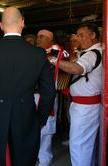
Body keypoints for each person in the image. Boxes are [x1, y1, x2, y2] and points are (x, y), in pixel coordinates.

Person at [0, 7, 56, 165]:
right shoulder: (38, 53)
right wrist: (40, 120)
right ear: (22, 23)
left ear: (1, 25)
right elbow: (49, 92)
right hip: (26, 117)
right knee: (24, 160)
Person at [48, 23, 102, 166]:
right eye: (77, 35)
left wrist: (53, 60)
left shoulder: (92, 54)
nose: (78, 39)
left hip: (85, 108)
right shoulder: (96, 51)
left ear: (93, 35)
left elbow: (78, 69)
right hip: (87, 106)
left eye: (81, 35)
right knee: (87, 144)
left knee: (79, 146)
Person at [36, 29, 58, 166]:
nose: (38, 39)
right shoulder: (35, 53)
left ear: (50, 39)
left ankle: (45, 159)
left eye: (41, 37)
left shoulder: (56, 53)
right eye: (38, 37)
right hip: (32, 96)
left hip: (47, 95)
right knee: (34, 128)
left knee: (46, 128)